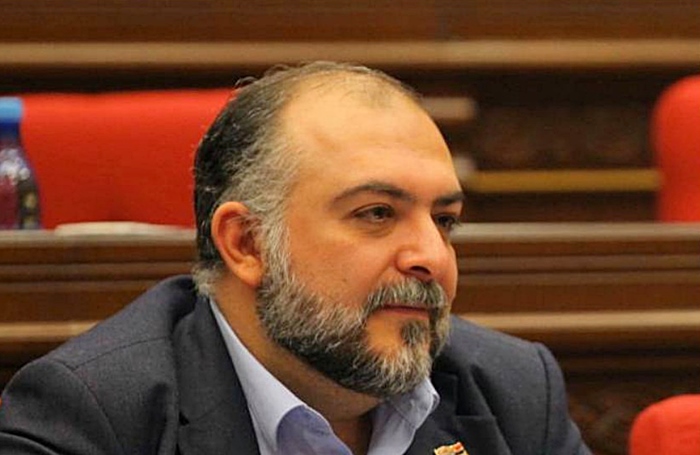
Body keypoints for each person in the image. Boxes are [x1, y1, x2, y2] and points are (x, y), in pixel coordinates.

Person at [0, 62, 591, 455]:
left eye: (444, 220)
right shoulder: (94, 416)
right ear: (247, 243)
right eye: (377, 213)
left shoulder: (512, 391)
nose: (432, 257)